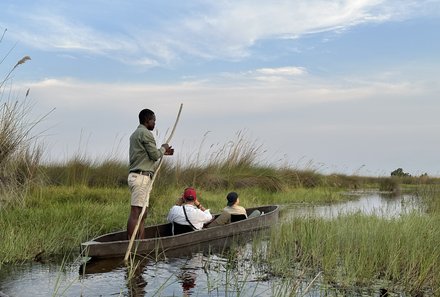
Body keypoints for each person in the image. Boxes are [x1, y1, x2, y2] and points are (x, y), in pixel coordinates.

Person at [127, 108, 174, 239]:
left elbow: (147, 154)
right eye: (154, 120)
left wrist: (163, 152)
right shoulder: (146, 133)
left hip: (138, 176)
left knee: (143, 213)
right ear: (147, 120)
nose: (155, 123)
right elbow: (154, 155)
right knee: (136, 212)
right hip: (141, 177)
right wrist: (163, 148)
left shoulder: (135, 134)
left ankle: (140, 243)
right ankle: (129, 245)